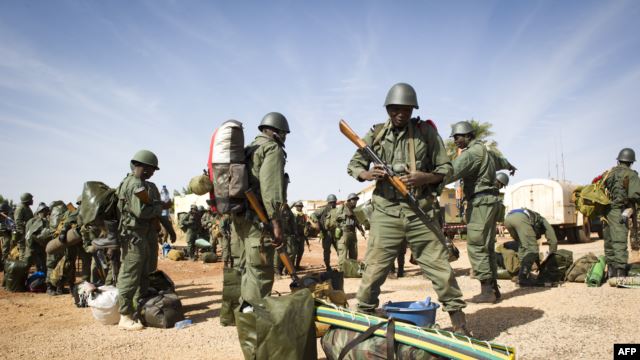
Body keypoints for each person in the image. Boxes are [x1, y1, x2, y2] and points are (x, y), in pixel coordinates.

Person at [347, 83, 470, 335]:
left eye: (405, 109)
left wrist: (425, 177)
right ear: (388, 109)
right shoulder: (377, 134)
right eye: (395, 109)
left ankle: (460, 324)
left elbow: (446, 168)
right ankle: (363, 320)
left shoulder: (426, 132)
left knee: (441, 269)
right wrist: (368, 173)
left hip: (419, 211)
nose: (400, 113)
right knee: (374, 269)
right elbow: (354, 164)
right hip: (385, 212)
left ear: (412, 109)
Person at [446, 121, 516, 303]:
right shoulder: (487, 151)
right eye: (454, 137)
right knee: (487, 245)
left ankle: (486, 292)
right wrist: (510, 166)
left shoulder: (471, 153)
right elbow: (502, 161)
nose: (455, 141)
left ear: (468, 135)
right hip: (491, 202)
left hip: (480, 203)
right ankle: (493, 290)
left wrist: (427, 178)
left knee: (477, 245)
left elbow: (451, 172)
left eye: (458, 137)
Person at [231, 112, 289, 303]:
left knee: (241, 267)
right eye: (285, 134)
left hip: (240, 219)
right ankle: (255, 325)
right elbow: (271, 189)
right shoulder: (272, 149)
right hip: (259, 221)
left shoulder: (248, 149)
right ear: (277, 132)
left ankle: (235, 316)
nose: (285, 138)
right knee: (260, 270)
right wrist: (277, 223)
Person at [115, 149, 167, 331]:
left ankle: (136, 309)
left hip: (138, 235)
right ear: (143, 167)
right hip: (134, 236)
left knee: (143, 272)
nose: (153, 173)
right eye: (152, 169)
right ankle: (124, 316)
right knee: (130, 275)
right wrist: (158, 208)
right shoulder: (135, 184)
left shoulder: (130, 182)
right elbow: (141, 212)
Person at [602, 148, 640, 278]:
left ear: (619, 160)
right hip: (620, 210)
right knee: (619, 242)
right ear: (631, 162)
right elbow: (635, 194)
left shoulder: (609, 173)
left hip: (606, 212)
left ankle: (611, 272)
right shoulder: (631, 174)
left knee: (609, 241)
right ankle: (620, 273)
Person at [503, 208, 558, 286]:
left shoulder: (533, 223)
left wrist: (538, 264)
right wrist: (551, 258)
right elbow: (553, 241)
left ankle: (520, 274)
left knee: (522, 246)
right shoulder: (544, 222)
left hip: (508, 219)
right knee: (533, 249)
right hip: (520, 218)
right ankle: (523, 278)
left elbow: (525, 247)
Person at [328, 193, 365, 272]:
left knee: (353, 253)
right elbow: (335, 218)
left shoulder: (356, 210)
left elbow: (357, 222)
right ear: (349, 200)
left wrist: (361, 230)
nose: (355, 201)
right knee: (343, 254)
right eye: (353, 200)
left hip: (353, 233)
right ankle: (342, 271)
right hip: (344, 233)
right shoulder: (342, 207)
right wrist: (344, 216)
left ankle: (352, 270)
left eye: (356, 200)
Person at [23, 203, 51, 288]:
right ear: (41, 211)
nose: (46, 213)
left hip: (30, 247)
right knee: (41, 266)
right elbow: (34, 235)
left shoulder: (30, 221)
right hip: (37, 247)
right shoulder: (41, 221)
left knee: (27, 267)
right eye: (45, 211)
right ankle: (40, 283)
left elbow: (27, 235)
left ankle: (34, 283)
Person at [311, 194, 338, 271]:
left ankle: (343, 264)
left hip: (336, 233)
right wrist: (316, 222)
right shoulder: (323, 209)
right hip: (326, 233)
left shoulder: (338, 210)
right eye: (331, 202)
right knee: (327, 251)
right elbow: (313, 215)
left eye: (334, 202)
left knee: (340, 249)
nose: (333, 204)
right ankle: (327, 266)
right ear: (328, 202)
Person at [15, 192, 34, 261]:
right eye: (31, 199)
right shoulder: (20, 208)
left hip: (27, 232)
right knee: (22, 251)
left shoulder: (27, 208)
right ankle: (21, 269)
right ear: (27, 200)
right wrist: (22, 233)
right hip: (22, 233)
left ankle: (25, 267)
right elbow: (18, 222)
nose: (32, 200)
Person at [291, 201, 308, 269]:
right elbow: (293, 226)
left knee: (301, 251)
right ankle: (291, 267)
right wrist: (296, 235)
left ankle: (297, 265)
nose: (300, 207)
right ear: (296, 207)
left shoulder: (303, 215)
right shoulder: (294, 215)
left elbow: (305, 225)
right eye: (298, 206)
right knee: (294, 252)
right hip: (295, 236)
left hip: (302, 236)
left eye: (301, 206)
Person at [1, 202, 15, 268]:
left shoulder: (8, 214)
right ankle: (4, 261)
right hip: (6, 230)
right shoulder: (7, 214)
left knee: (7, 244)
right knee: (6, 245)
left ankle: (5, 259)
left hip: (7, 230)